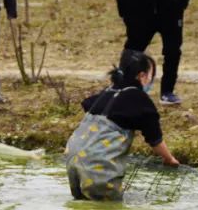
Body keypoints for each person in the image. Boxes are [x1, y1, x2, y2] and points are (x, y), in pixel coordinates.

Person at [66, 50, 179, 201]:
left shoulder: (108, 92)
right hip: (98, 161)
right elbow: (155, 139)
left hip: (72, 157)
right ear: (142, 76)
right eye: (151, 75)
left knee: (83, 206)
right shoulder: (140, 100)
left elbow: (87, 104)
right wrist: (169, 159)